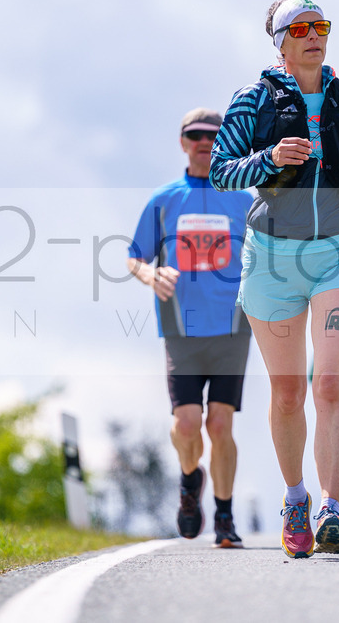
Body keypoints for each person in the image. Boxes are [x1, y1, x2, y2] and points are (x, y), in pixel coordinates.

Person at [210, 0, 339, 558]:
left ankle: (330, 505)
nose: (312, 35)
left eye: (319, 25)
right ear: (279, 41)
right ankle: (295, 498)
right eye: (298, 28)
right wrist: (271, 157)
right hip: (272, 256)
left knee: (329, 383)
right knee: (286, 392)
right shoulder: (252, 101)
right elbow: (223, 173)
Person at [127, 108, 254, 548]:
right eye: (194, 134)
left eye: (213, 134)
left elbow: (274, 252)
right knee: (186, 426)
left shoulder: (244, 199)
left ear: (225, 141)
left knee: (220, 426)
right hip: (181, 331)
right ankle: (188, 481)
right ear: (183, 142)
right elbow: (135, 256)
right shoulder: (163, 200)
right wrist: (150, 275)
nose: (204, 141)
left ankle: (224, 517)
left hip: (233, 327)